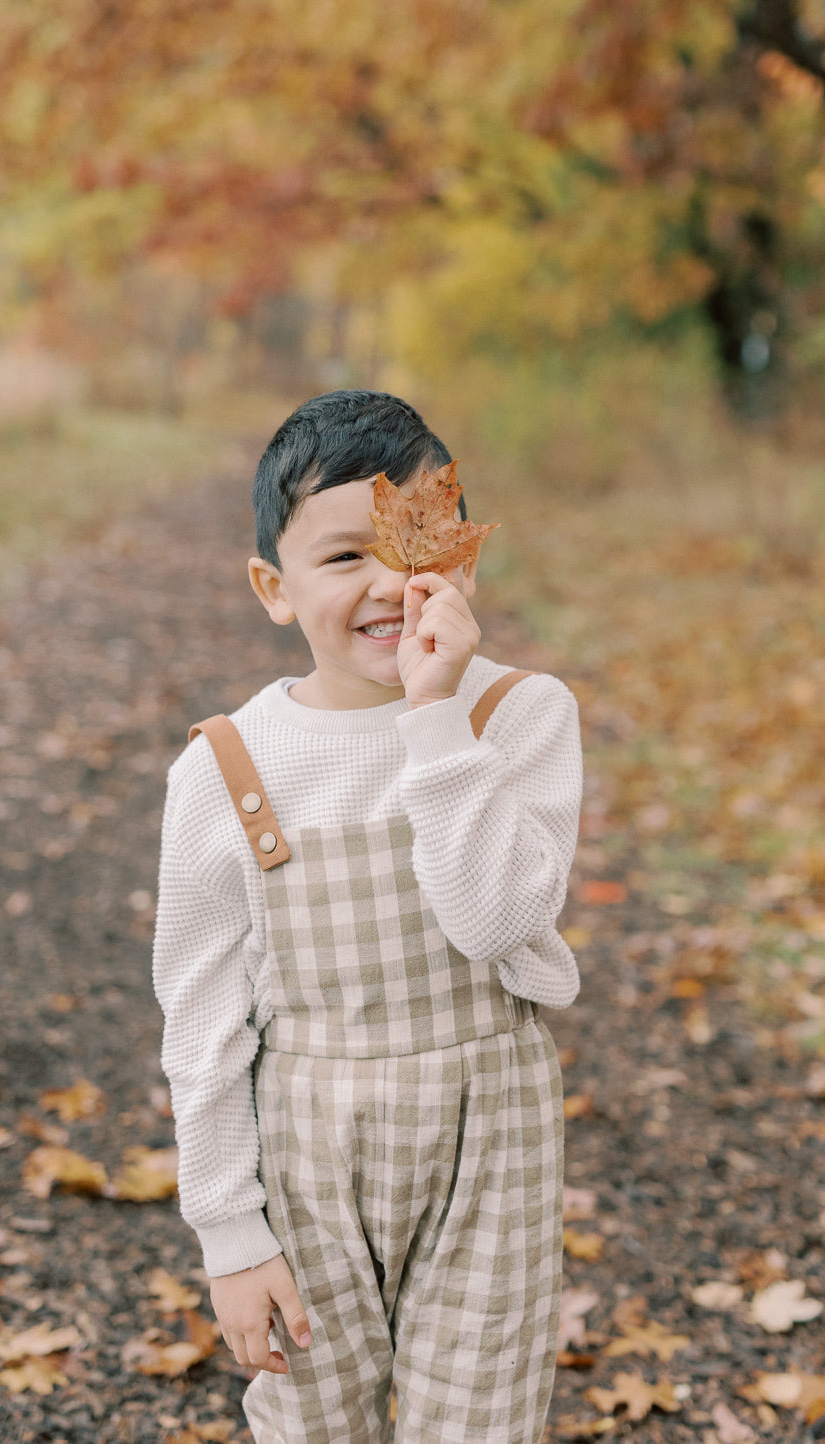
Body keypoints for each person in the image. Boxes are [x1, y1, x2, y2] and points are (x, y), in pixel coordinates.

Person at [152, 389, 582, 1443]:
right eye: (345, 558)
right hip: (303, 1148)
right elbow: (201, 1028)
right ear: (274, 588)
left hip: (490, 1142)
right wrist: (229, 1233)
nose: (391, 584)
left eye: (416, 545)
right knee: (312, 1419)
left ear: (463, 557)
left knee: (479, 1419)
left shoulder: (514, 716)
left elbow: (492, 923)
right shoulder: (227, 767)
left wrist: (434, 716)